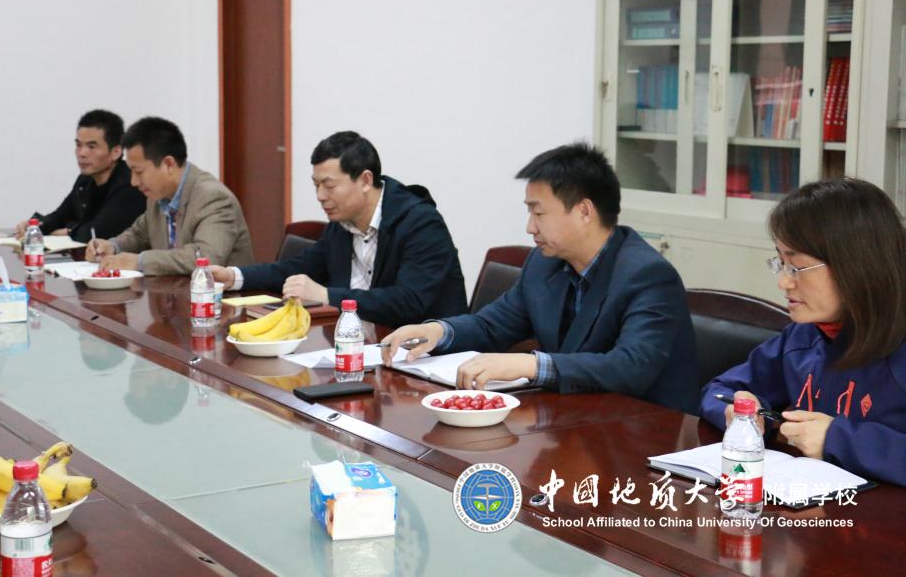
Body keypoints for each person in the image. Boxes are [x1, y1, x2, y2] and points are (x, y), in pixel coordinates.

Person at [382, 142, 699, 413]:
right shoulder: (544, 264)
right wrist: (437, 331)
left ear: (584, 212)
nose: (529, 227)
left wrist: (530, 365)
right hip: (575, 419)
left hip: (645, 433)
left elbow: (631, 367)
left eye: (539, 213)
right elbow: (493, 325)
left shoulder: (647, 275)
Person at [700, 177, 906, 485]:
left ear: (857, 266)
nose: (783, 282)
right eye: (781, 263)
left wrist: (837, 439)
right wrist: (739, 412)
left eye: (797, 268)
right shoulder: (804, 336)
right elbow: (719, 390)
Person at [210, 131, 467, 328]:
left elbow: (409, 301)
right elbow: (298, 268)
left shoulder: (420, 223)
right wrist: (234, 276)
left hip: (425, 354)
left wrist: (326, 295)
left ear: (365, 180)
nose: (320, 196)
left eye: (329, 186)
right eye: (316, 185)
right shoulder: (342, 223)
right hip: (358, 341)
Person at [86, 117, 254, 275]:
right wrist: (112, 246)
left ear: (168, 164)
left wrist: (140, 261)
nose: (133, 182)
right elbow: (139, 234)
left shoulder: (213, 198)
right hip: (174, 292)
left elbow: (205, 257)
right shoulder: (158, 196)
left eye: (139, 172)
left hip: (220, 295)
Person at [15, 110, 145, 241]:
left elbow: (97, 232)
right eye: (78, 145)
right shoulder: (85, 180)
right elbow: (60, 216)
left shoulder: (130, 184)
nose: (82, 153)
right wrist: (34, 226)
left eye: (91, 146)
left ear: (116, 152)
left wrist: (69, 231)